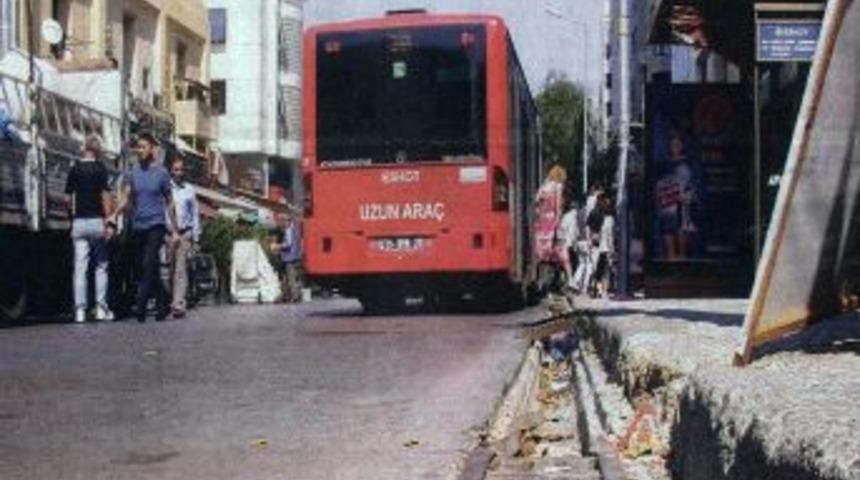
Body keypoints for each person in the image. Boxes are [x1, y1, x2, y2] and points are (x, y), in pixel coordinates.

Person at [112, 132, 179, 323]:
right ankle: (163, 301)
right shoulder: (133, 172)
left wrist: (174, 229)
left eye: (143, 147)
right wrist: (114, 214)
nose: (140, 150)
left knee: (149, 261)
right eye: (138, 147)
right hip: (138, 225)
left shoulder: (162, 173)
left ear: (152, 149)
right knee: (147, 268)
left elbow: (170, 202)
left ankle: (140, 305)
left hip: (156, 225)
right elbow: (126, 197)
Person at [65, 136, 115, 323]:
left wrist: (71, 217)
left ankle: (80, 311)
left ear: (84, 149)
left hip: (79, 222)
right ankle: (101, 308)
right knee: (101, 266)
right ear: (97, 151)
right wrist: (109, 221)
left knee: (80, 268)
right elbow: (105, 198)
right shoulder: (100, 169)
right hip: (96, 222)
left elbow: (67, 199)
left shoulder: (75, 169)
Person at [167, 156, 201, 318]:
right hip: (168, 234)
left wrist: (196, 236)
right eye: (176, 170)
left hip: (184, 233)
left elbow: (195, 214)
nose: (179, 173)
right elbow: (163, 211)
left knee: (181, 269)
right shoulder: (166, 188)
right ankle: (169, 300)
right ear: (171, 171)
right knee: (170, 268)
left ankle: (178, 304)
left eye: (181, 169)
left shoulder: (189, 189)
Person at [534, 165, 568, 271]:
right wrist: (558, 221)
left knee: (542, 250)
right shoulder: (557, 186)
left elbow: (536, 203)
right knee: (558, 251)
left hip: (542, 220)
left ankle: (540, 272)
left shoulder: (544, 186)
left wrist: (540, 214)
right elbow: (558, 205)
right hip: (552, 219)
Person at [271, 213, 302, 302]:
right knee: (285, 277)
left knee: (290, 277)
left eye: (281, 221)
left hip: (289, 257)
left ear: (286, 221)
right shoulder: (294, 229)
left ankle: (295, 296)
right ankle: (285, 295)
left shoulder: (288, 230)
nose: (280, 224)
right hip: (292, 257)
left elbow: (288, 244)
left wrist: (276, 246)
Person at [594, 196, 616, 299]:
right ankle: (604, 291)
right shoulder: (610, 220)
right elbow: (610, 236)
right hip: (606, 248)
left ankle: (597, 289)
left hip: (596, 247)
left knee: (598, 270)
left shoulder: (596, 217)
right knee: (606, 271)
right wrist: (612, 249)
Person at [557, 199, 580, 291]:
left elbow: (562, 228)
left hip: (565, 242)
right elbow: (576, 231)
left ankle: (569, 280)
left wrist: (560, 239)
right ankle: (569, 280)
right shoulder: (576, 217)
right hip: (570, 242)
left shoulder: (567, 216)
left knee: (566, 262)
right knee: (568, 262)